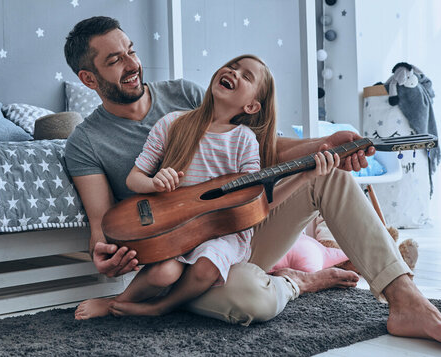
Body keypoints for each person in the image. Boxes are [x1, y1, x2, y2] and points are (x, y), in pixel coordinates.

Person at [64, 16, 441, 346]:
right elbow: (102, 226)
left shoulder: (185, 96)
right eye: (114, 60)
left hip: (236, 231)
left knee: (326, 176)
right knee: (251, 301)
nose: (133, 64)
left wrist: (326, 142)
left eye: (131, 51)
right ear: (89, 79)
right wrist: (104, 257)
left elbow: (265, 150)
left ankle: (406, 301)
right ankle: (298, 280)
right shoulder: (86, 142)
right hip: (177, 264)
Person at [75, 54, 343, 318]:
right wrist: (153, 183)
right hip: (176, 229)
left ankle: (161, 307)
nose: (233, 72)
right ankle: (117, 303)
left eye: (246, 76)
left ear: (251, 107)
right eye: (232, 66)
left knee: (206, 268)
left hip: (222, 234)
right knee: (162, 273)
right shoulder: (172, 123)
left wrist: (304, 176)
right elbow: (134, 178)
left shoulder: (244, 140)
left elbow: (257, 202)